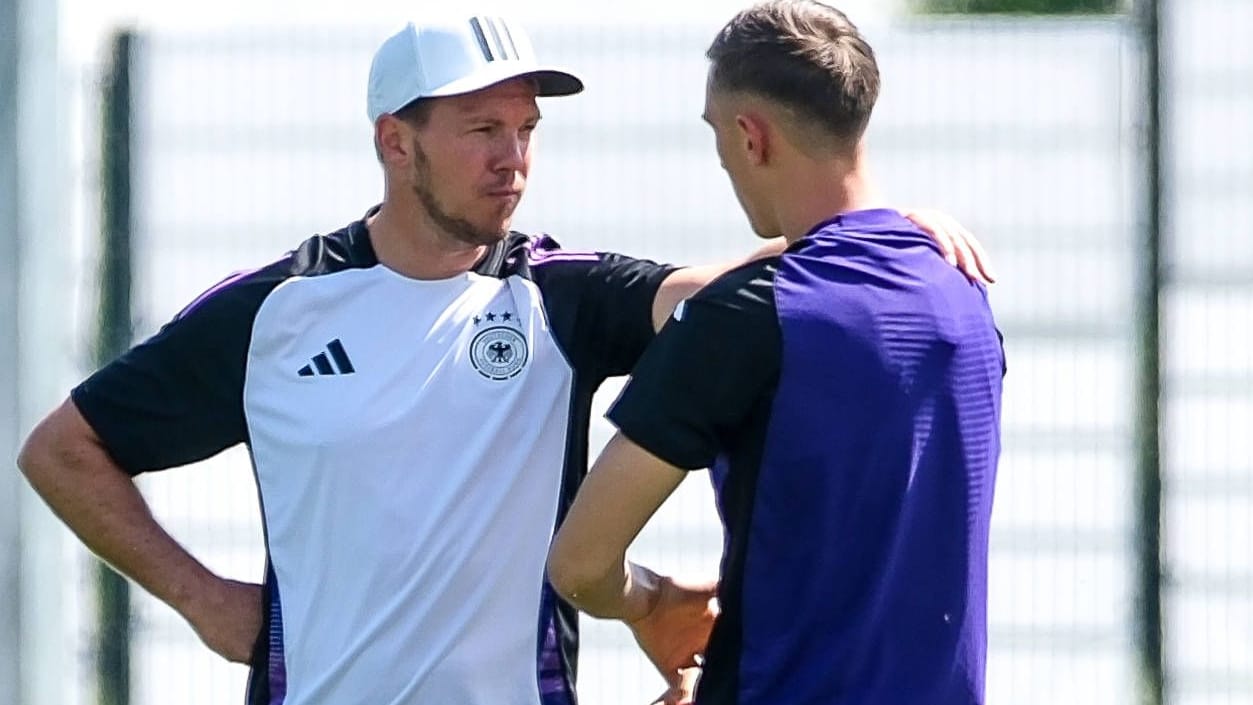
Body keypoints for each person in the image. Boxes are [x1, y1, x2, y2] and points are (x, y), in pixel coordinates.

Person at [17, 11, 991, 705]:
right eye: (482, 129)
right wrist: (199, 598)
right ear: (395, 142)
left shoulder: (562, 293)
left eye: (525, 130)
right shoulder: (276, 309)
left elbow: (731, 291)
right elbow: (61, 450)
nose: (512, 159)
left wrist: (876, 230)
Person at [547, 2, 1006, 704]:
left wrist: (650, 600)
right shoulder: (962, 289)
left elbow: (579, 563)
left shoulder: (743, 319)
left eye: (715, 134)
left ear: (749, 135)